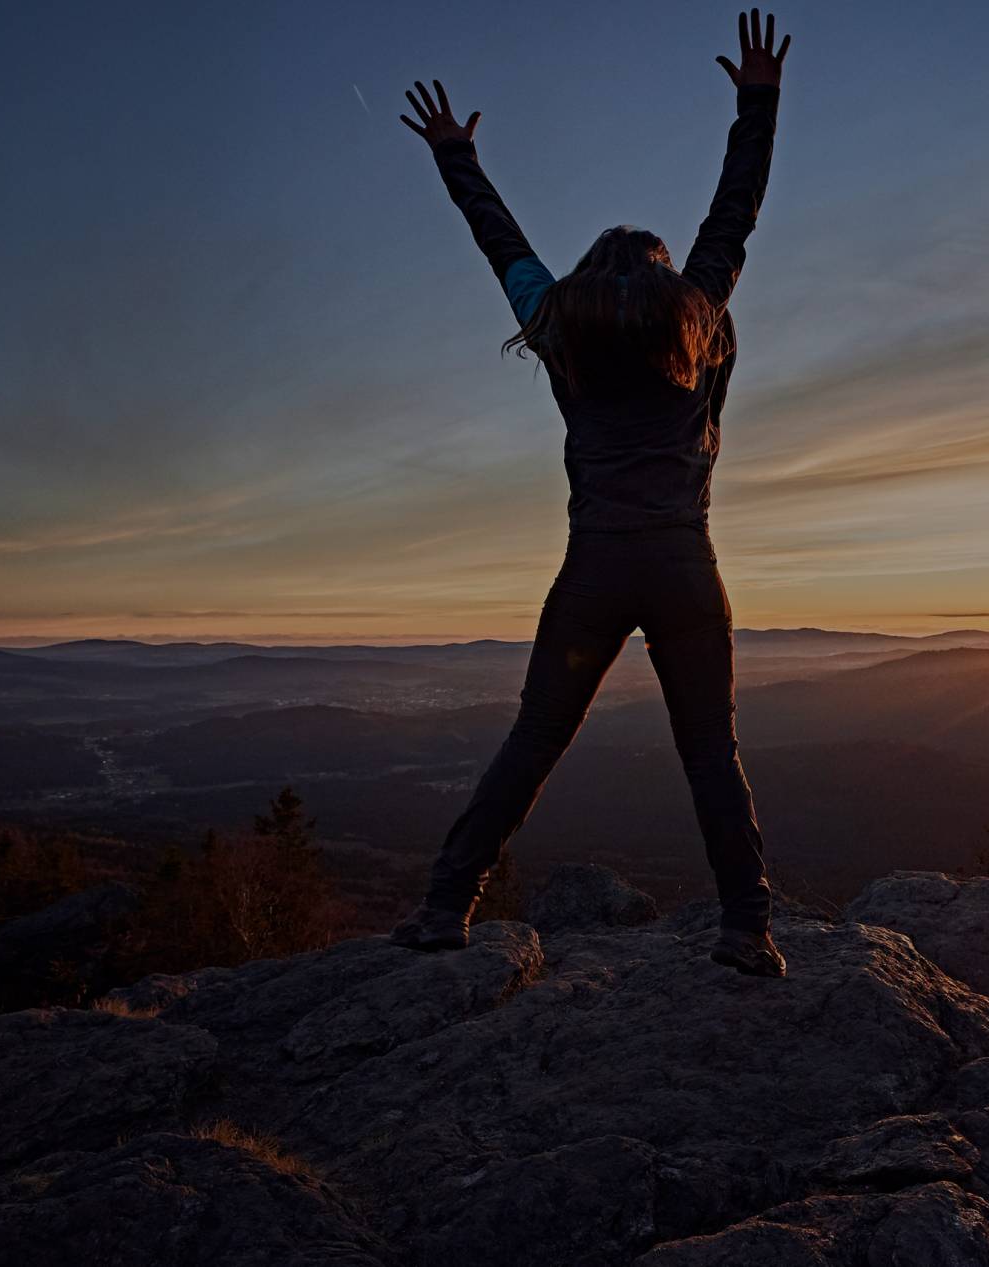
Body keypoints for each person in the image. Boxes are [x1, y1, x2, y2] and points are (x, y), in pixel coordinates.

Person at [389, 10, 793, 977]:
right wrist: (758, 101)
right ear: (660, 277)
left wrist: (455, 157)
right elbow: (733, 215)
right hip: (686, 569)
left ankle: (447, 906)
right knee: (710, 752)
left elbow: (503, 244)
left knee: (533, 739)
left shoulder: (558, 323)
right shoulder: (695, 316)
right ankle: (747, 929)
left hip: (595, 570)